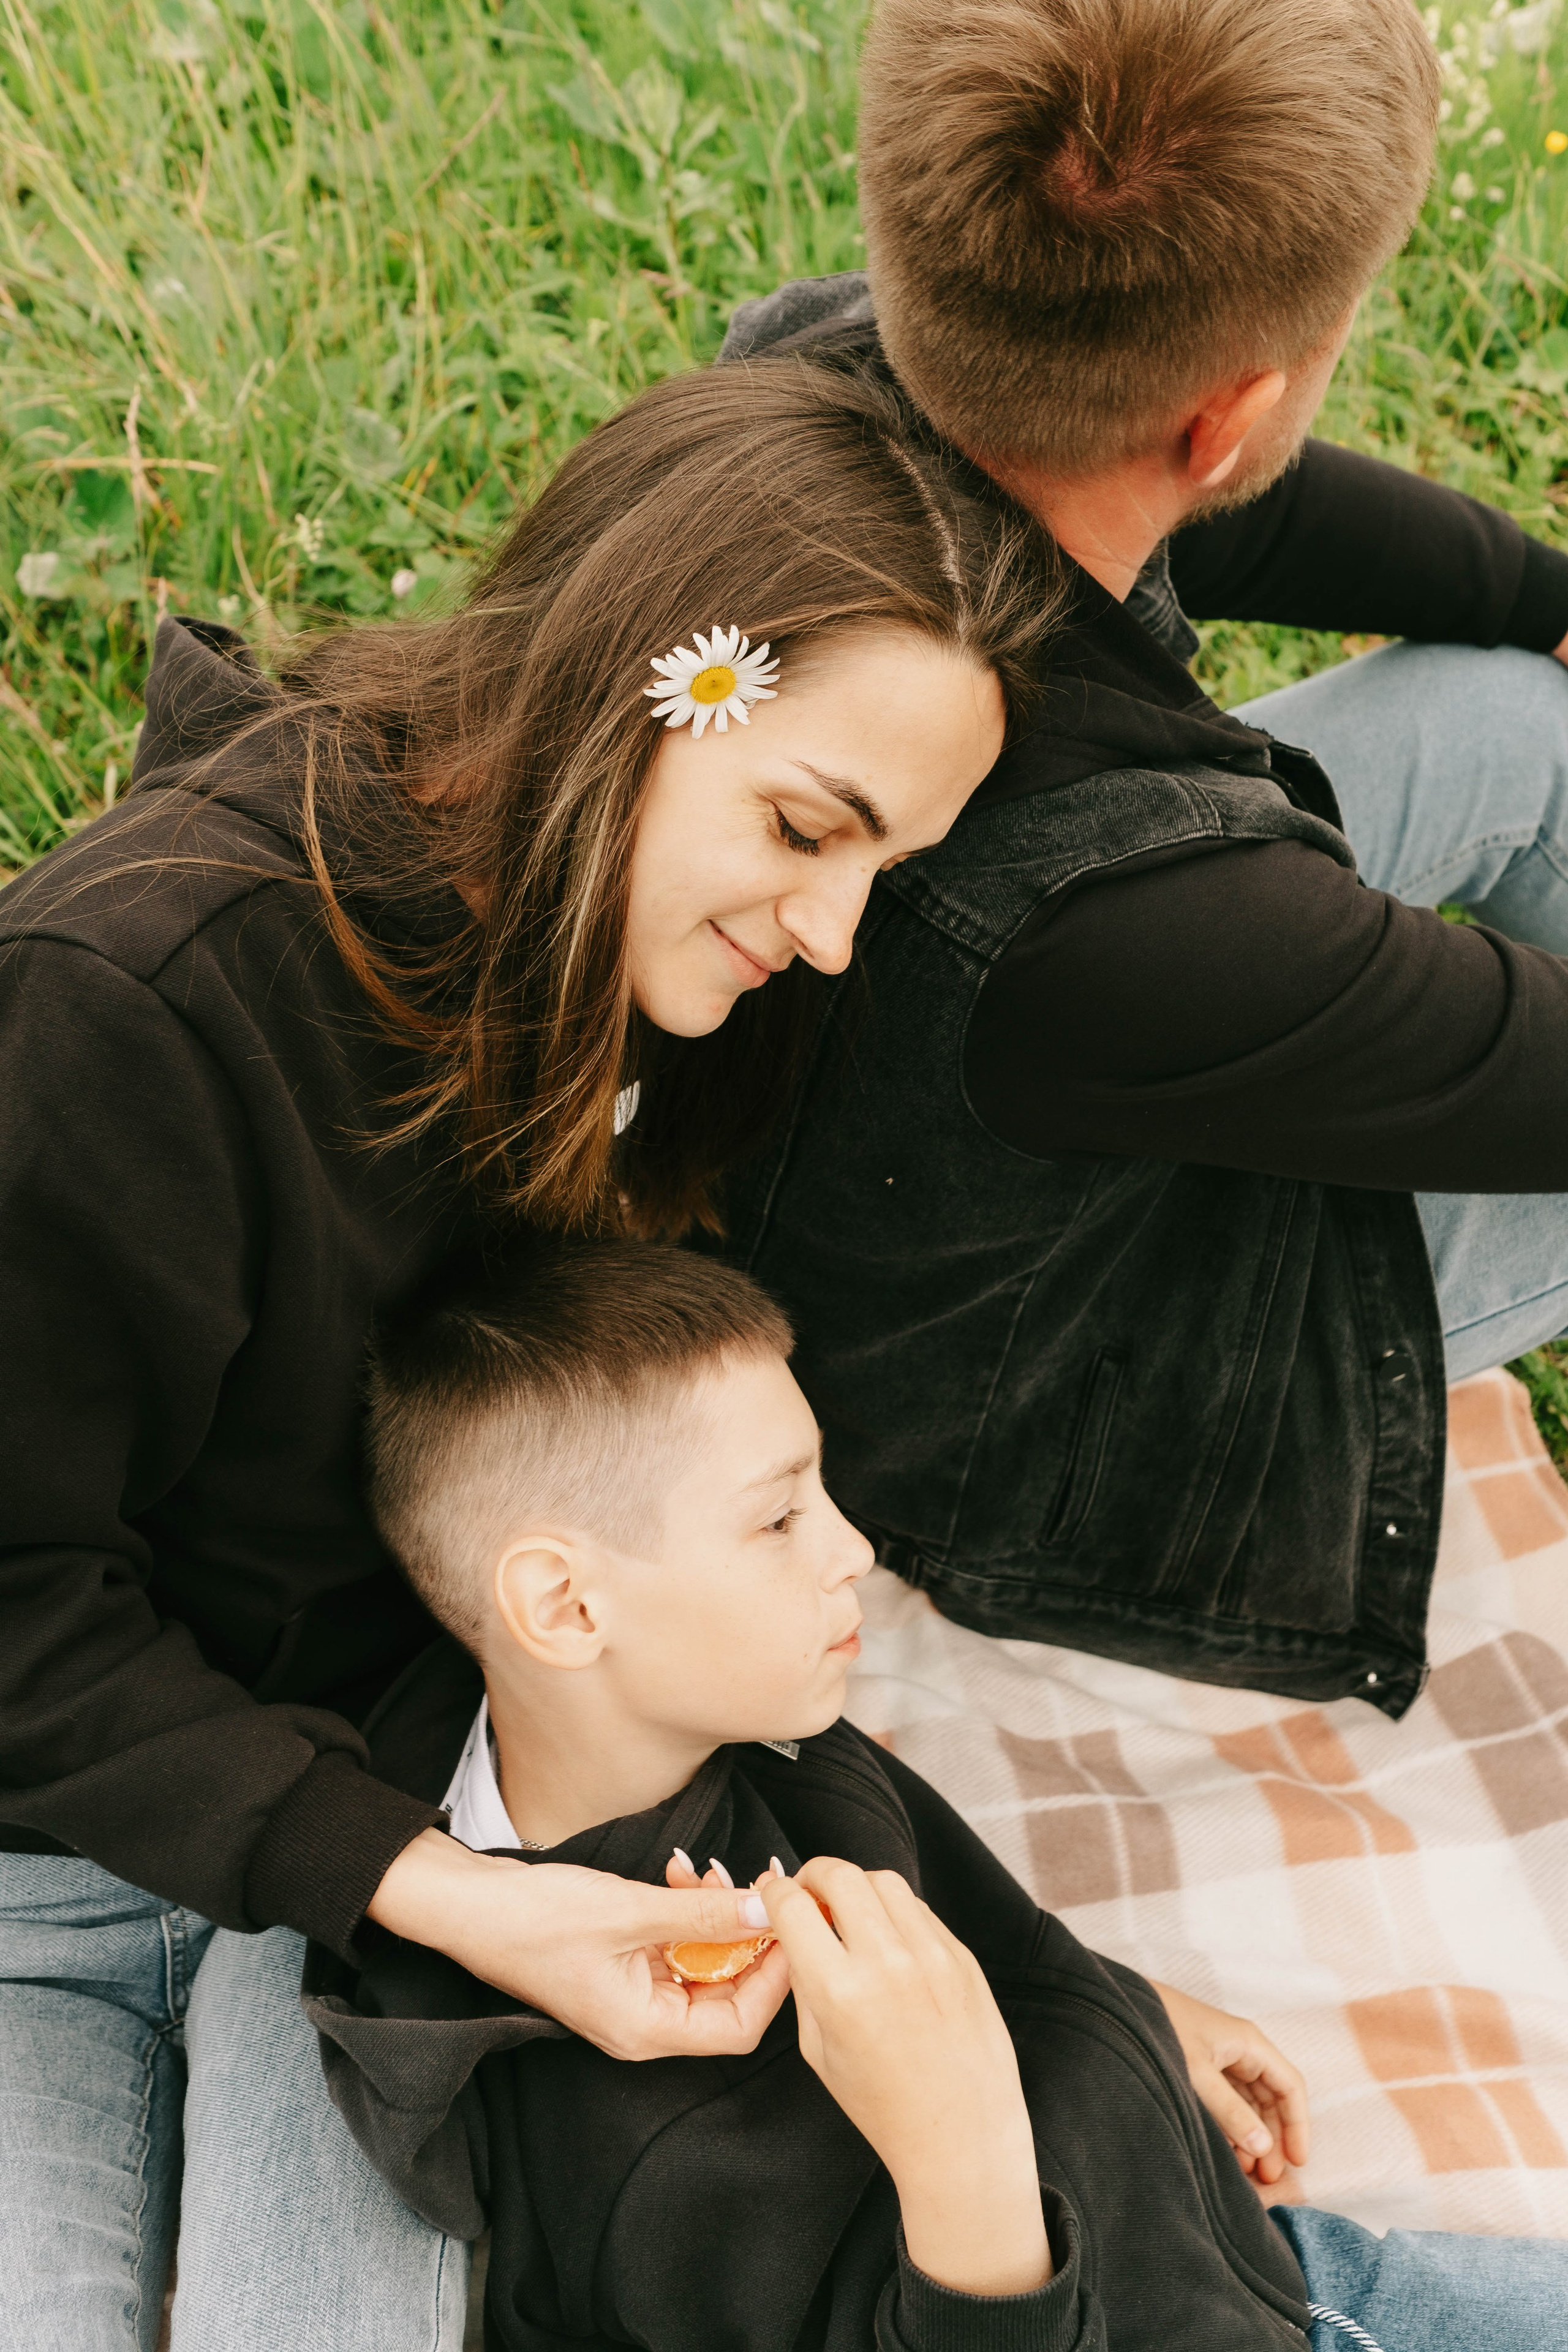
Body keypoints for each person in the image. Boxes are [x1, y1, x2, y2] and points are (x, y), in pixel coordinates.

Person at [0, 361, 1060, 2350]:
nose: (836, 935)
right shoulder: (125, 1011)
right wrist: (452, 1892)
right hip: (40, 1880)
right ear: (630, 687)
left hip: (374, 1833)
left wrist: (1075, 2003)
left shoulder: (666, 981)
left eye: (881, 872)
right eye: (806, 827)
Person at [709, 0, 1568, 1716]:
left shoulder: (818, 380)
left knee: (1508, 720)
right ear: (1230, 410)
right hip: (1027, 1434)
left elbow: (1272, 509)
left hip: (934, 1141)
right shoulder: (1148, 919)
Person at [309, 1240, 1568, 2352]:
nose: (852, 1551)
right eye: (778, 1520)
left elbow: (975, 1915)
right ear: (566, 1609)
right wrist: (955, 2156)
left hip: (1235, 2246)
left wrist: (1136, 2012)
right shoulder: (634, 2148)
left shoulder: (746, 1733)